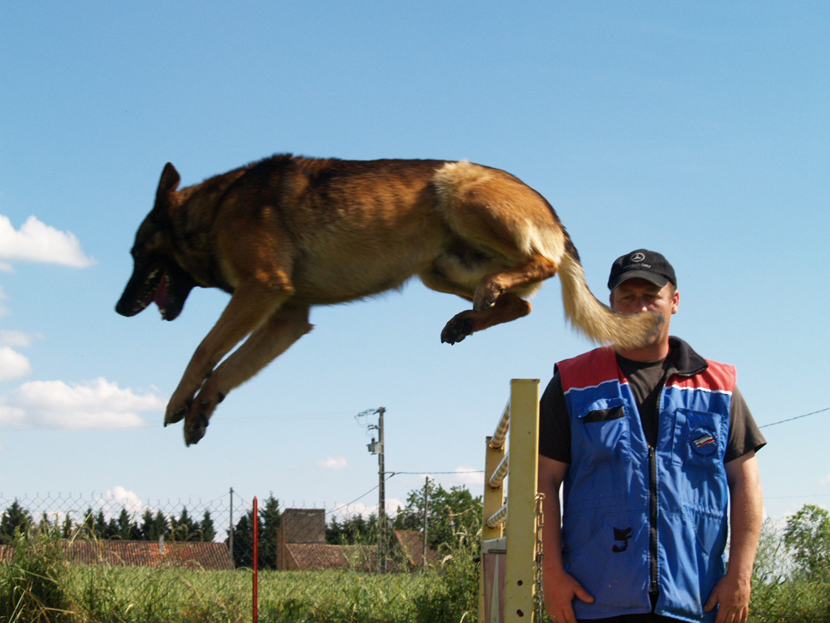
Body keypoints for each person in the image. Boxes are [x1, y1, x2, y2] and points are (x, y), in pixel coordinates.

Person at [537, 249, 765, 623]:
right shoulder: (572, 383)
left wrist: (740, 575)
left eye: (651, 296)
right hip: (594, 600)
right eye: (628, 297)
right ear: (609, 305)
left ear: (673, 301)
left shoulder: (719, 388)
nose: (639, 307)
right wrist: (551, 574)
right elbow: (543, 483)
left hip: (698, 601)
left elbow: (746, 482)